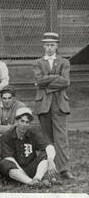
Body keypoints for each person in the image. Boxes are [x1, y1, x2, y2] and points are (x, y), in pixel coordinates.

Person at [33, 32, 74, 180]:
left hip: (59, 103)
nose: (49, 48)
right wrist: (56, 77)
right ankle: (49, 167)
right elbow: (38, 79)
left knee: (61, 137)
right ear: (43, 46)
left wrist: (47, 85)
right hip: (43, 103)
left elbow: (66, 82)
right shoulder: (38, 62)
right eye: (47, 45)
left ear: (56, 46)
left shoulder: (64, 62)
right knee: (47, 137)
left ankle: (64, 169)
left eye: (52, 45)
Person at [0, 107, 58, 187]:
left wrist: (50, 161)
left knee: (46, 154)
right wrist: (21, 172)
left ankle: (37, 179)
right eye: (22, 121)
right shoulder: (6, 136)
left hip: (31, 168)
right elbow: (8, 158)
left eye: (27, 122)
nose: (24, 125)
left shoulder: (32, 135)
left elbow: (49, 146)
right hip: (16, 170)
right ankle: (32, 182)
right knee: (4, 163)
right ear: (16, 121)